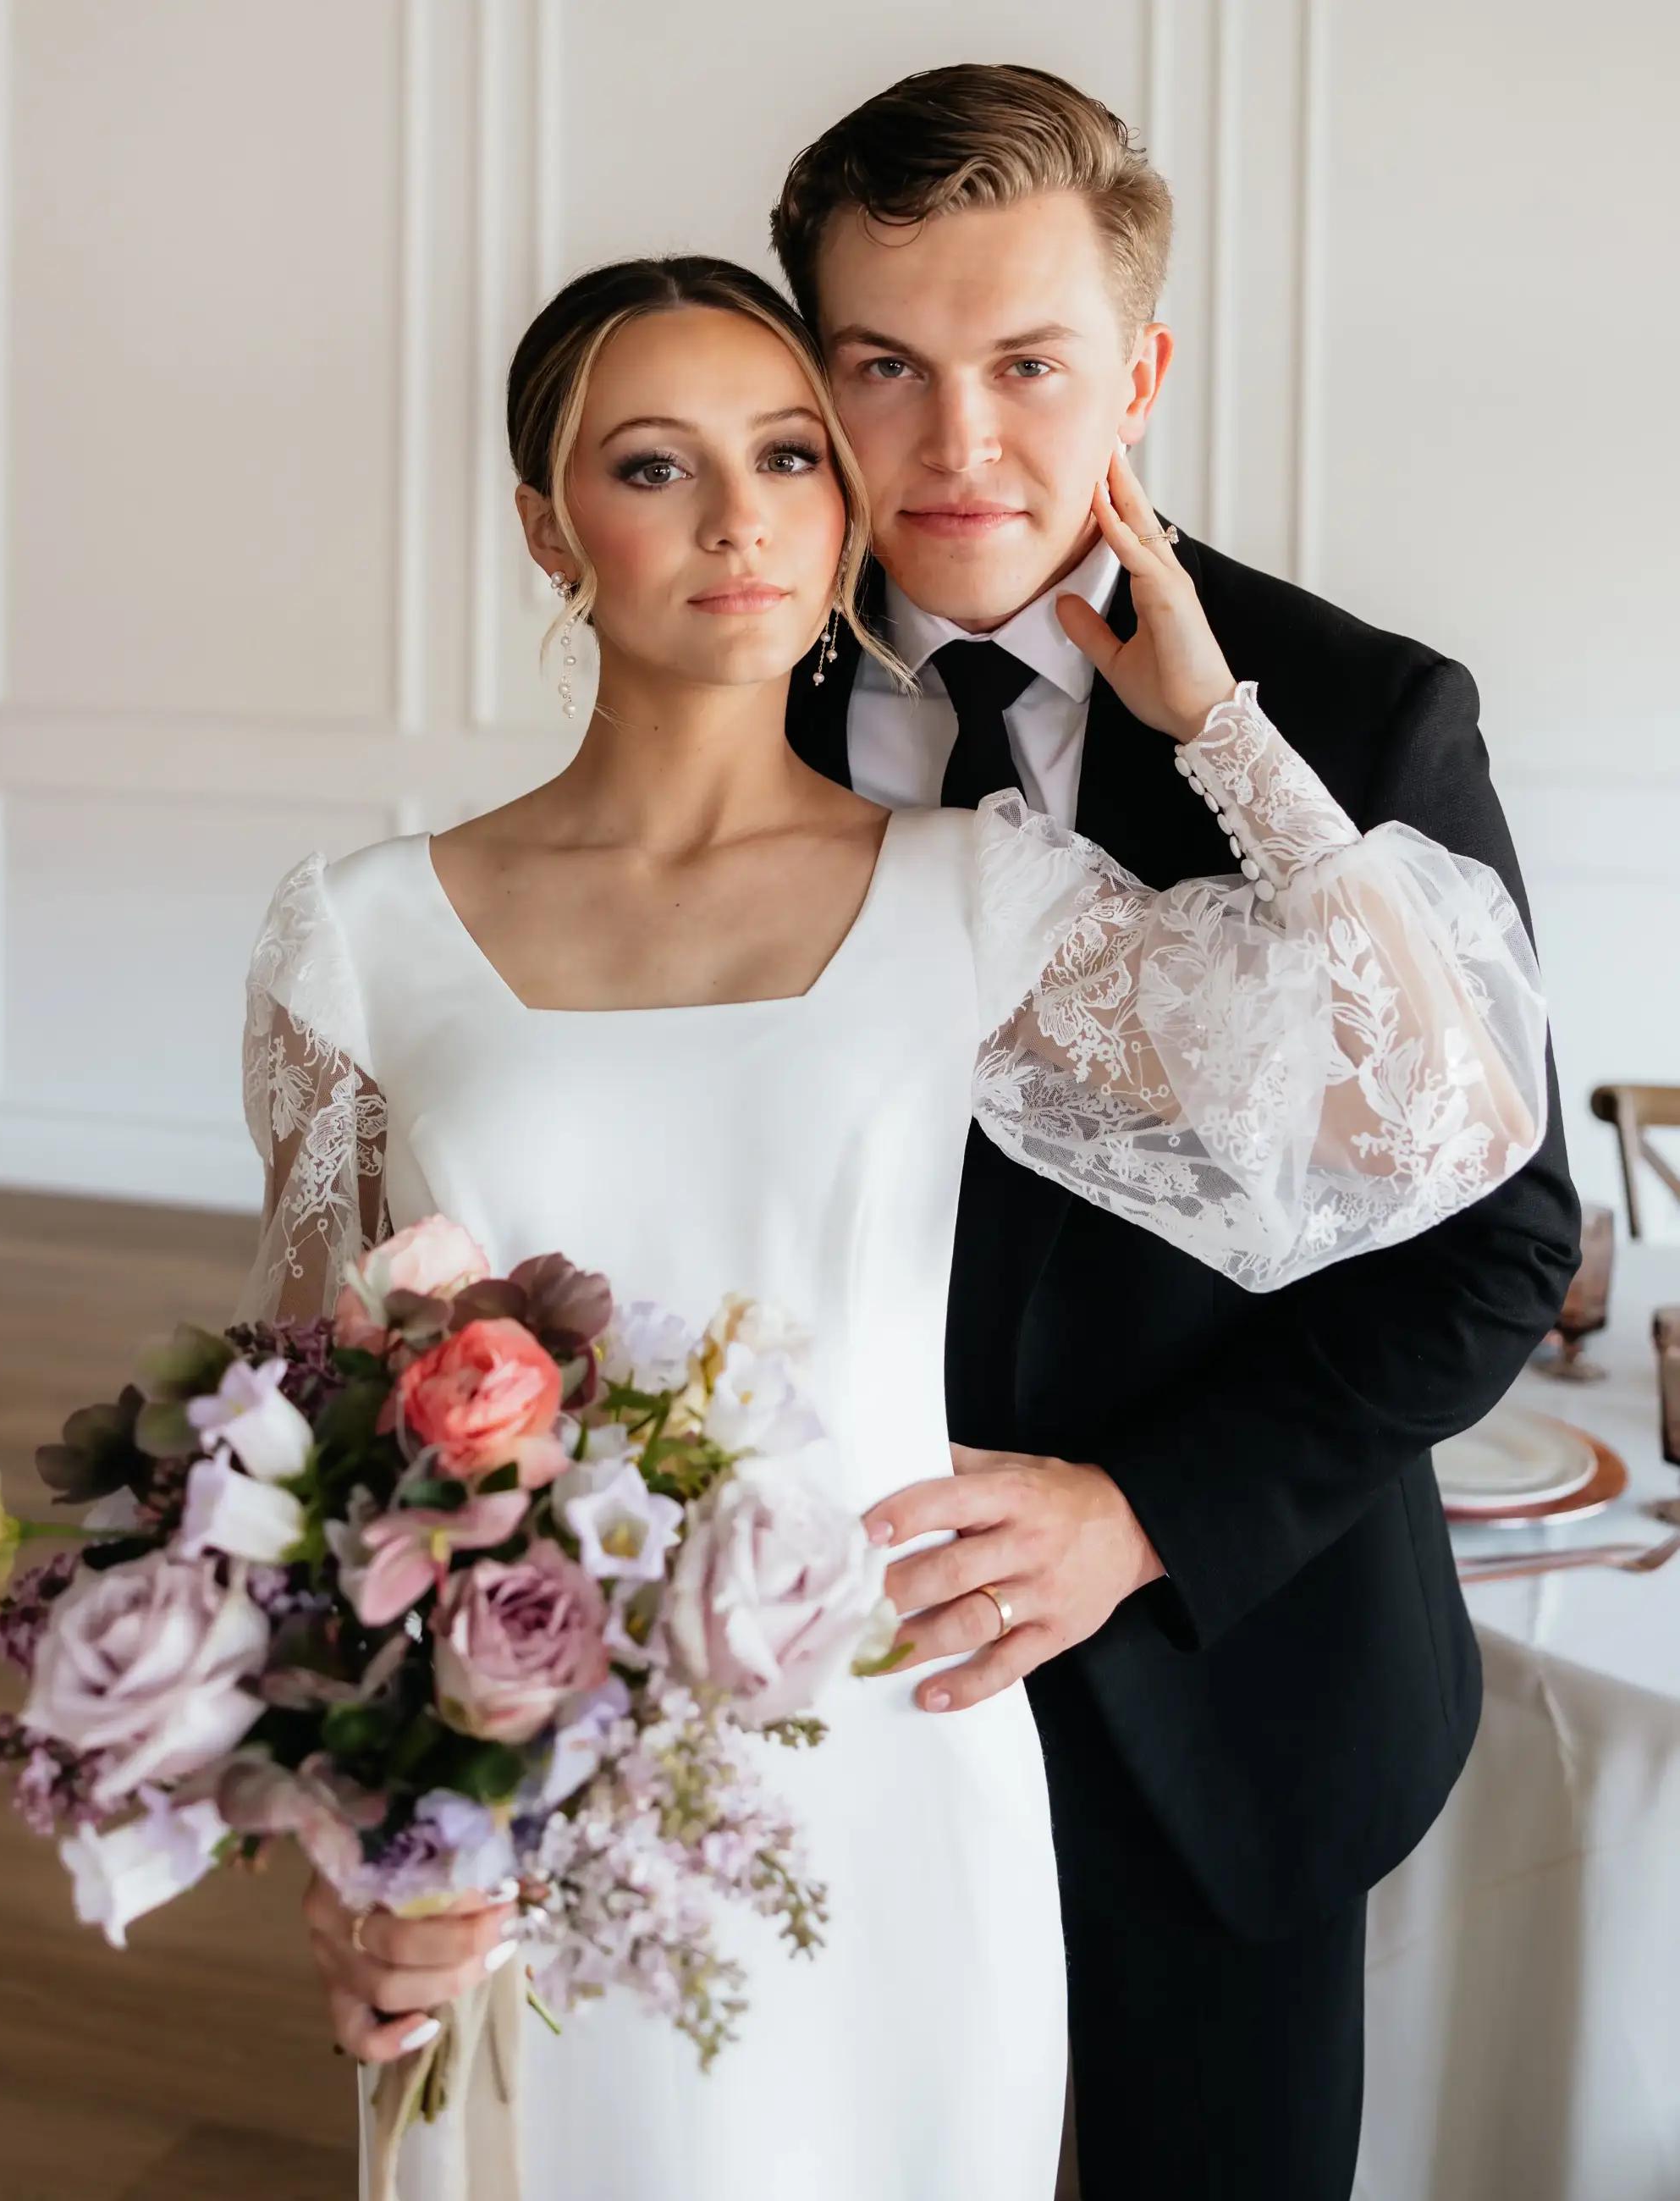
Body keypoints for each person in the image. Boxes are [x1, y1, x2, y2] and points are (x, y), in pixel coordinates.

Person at [250, 249, 1549, 2198]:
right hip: (518, 1776)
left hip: (896, 1753)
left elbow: (1435, 1121)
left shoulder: (976, 893)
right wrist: (355, 1857)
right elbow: (305, 1463)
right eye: (653, 465)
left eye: (784, 453)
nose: (740, 518)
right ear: (546, 523)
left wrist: (1211, 723)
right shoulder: (344, 937)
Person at [771, 63, 1583, 2201]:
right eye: (885, 366)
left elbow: (1496, 1243)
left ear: (1133, 364)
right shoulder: (729, 697)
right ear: (813, 377)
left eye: (1027, 365)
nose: (958, 445)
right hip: (797, 1682)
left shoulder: (1361, 710)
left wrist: (1139, 1513)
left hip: (1221, 1681)